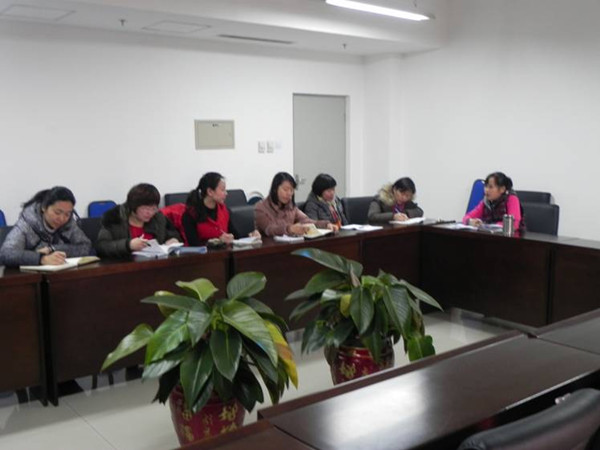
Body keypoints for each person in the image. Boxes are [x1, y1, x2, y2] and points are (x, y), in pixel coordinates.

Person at [0, 186, 92, 266]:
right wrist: (41, 258)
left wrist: (52, 249)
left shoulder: (69, 223)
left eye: (67, 214)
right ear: (44, 207)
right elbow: (6, 254)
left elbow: (86, 247)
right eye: (57, 212)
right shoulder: (27, 224)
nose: (62, 219)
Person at [96, 183, 180, 258]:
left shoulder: (158, 218)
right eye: (145, 208)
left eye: (154, 208)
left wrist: (173, 240)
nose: (150, 213)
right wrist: (128, 245)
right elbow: (102, 247)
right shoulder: (115, 219)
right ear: (133, 206)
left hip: (155, 264)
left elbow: (173, 234)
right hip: (125, 266)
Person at [182, 172, 259, 245]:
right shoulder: (190, 214)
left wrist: (250, 236)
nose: (226, 193)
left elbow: (235, 235)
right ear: (210, 192)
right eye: (222, 190)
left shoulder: (223, 210)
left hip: (224, 252)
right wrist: (218, 241)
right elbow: (193, 244)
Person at [255, 172, 335, 236]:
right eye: (285, 189)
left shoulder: (291, 206)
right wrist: (290, 229)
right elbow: (270, 229)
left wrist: (326, 224)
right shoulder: (261, 207)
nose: (289, 193)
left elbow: (306, 221)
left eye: (292, 190)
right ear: (275, 189)